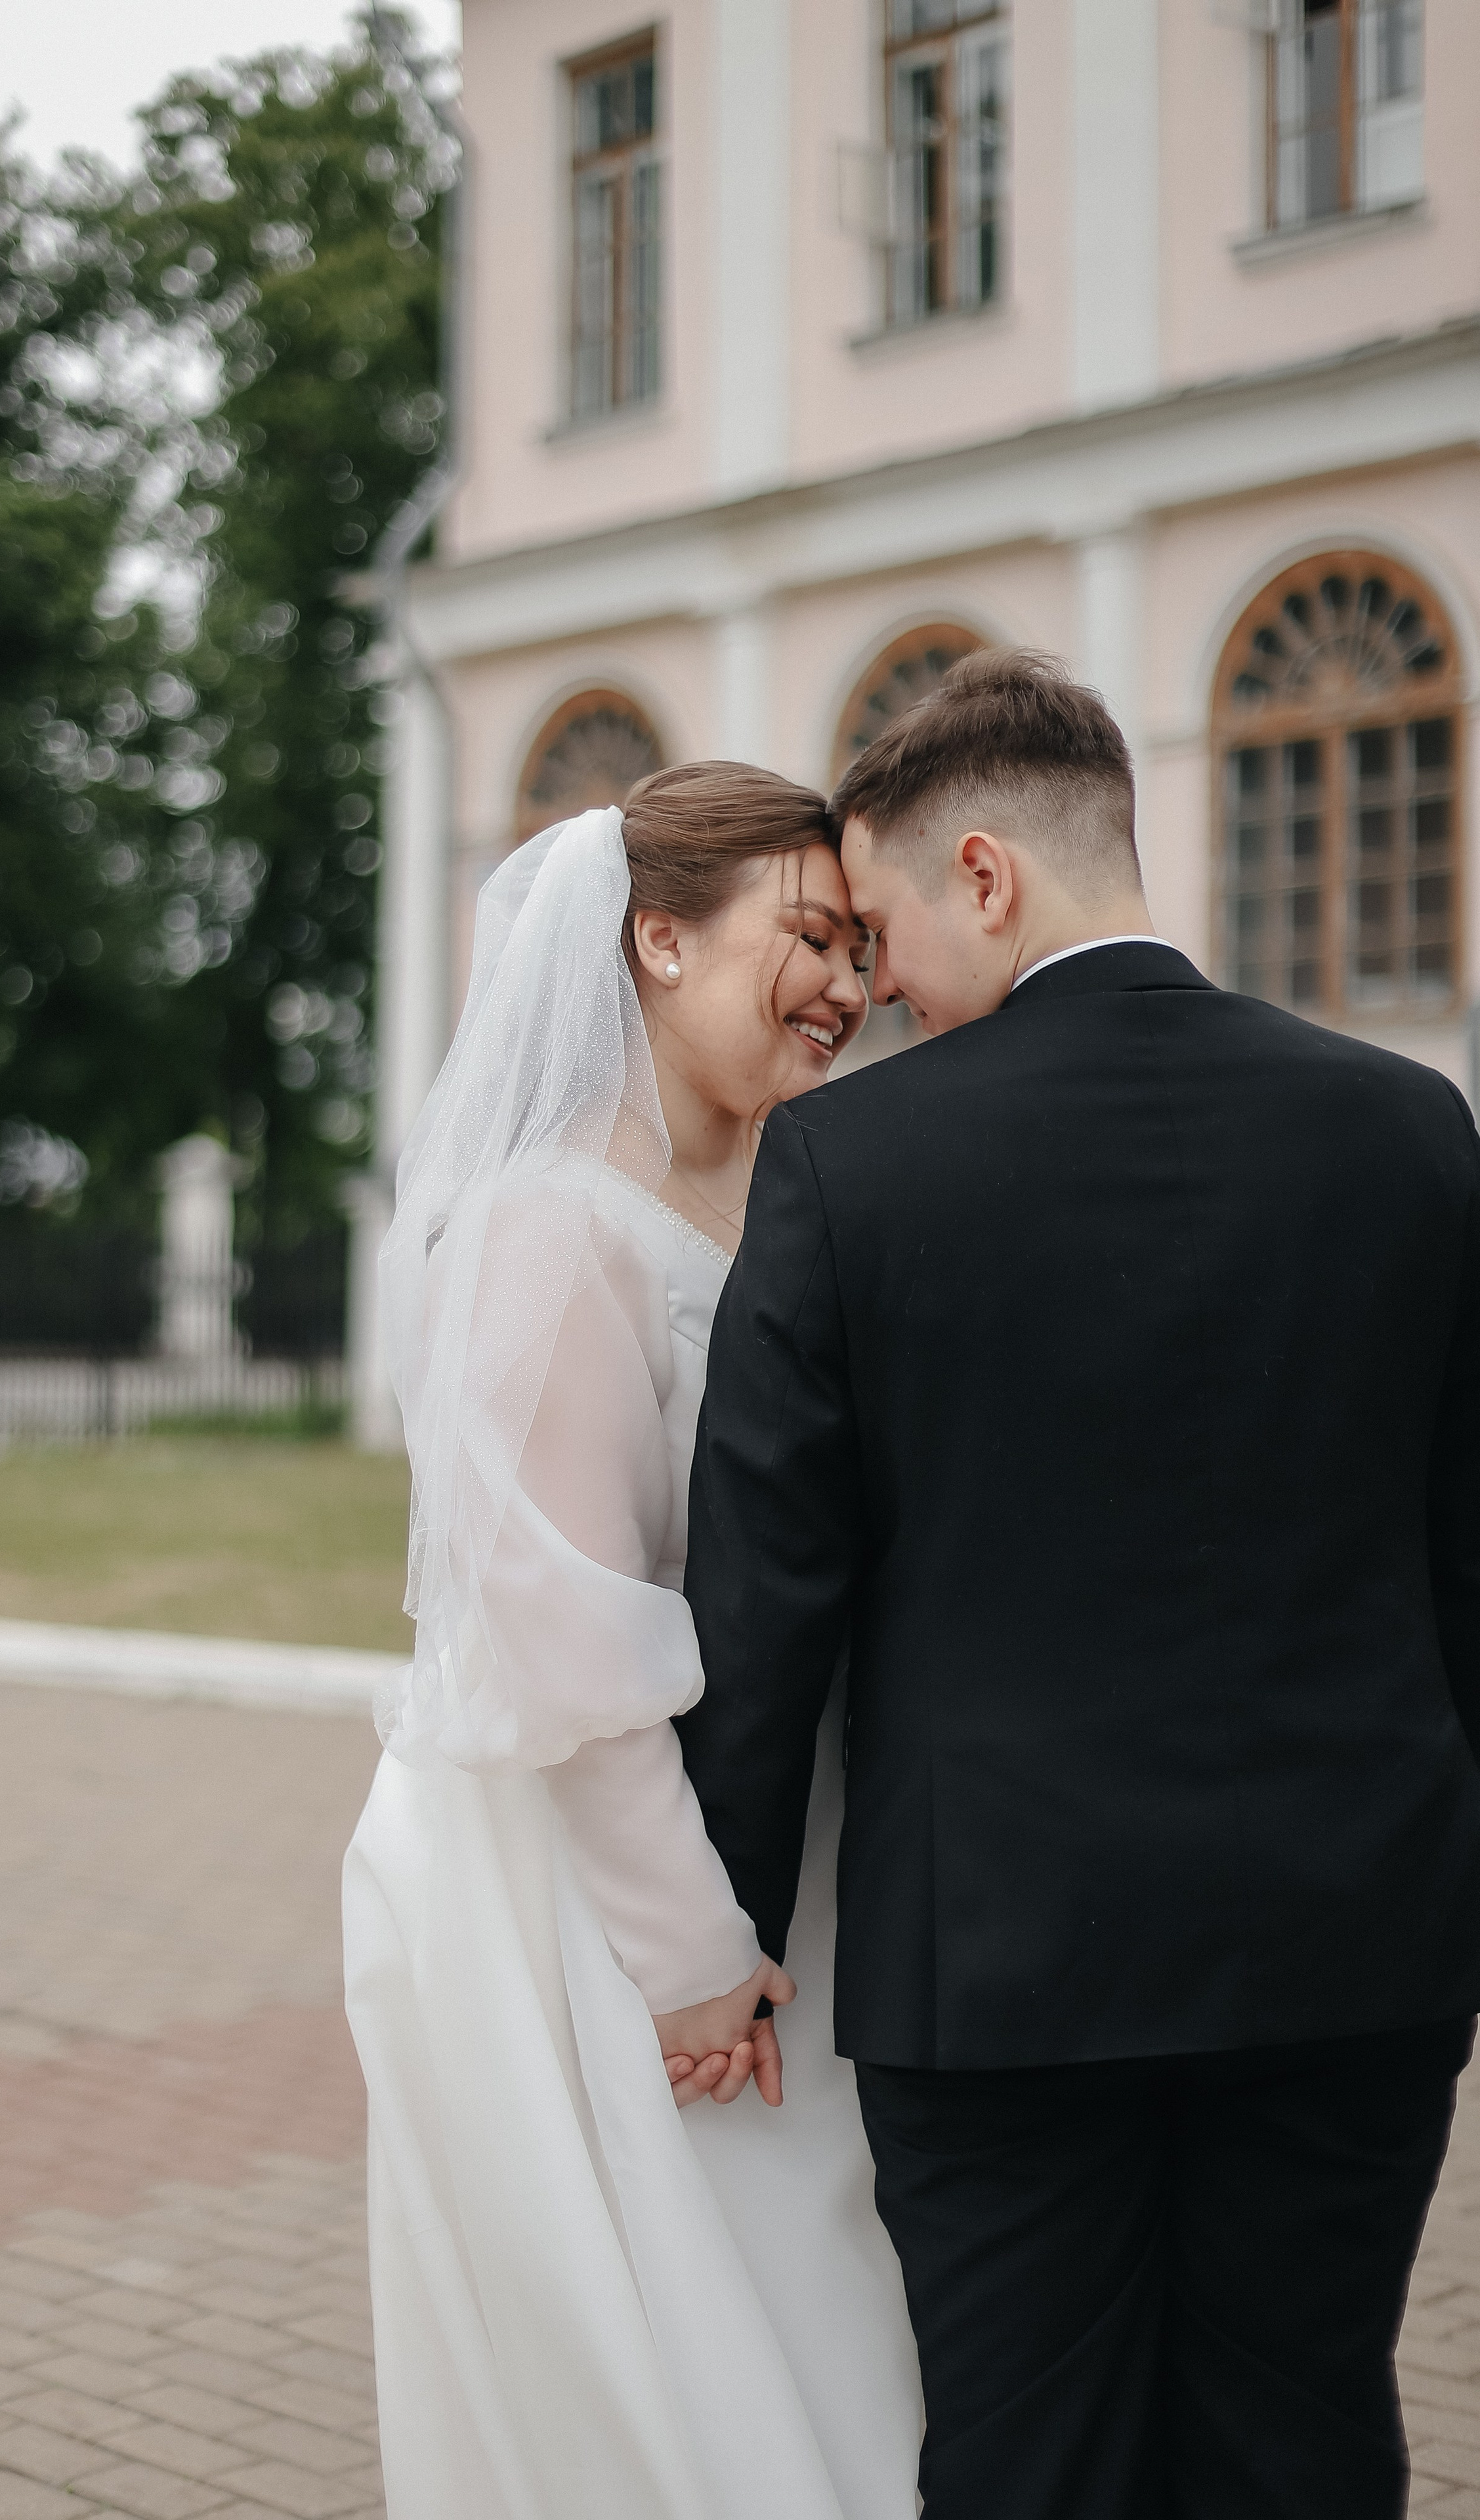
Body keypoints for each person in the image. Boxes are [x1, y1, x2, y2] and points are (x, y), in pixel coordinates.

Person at [671, 648, 1480, 2519]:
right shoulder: (1410, 1129)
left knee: (1031, 2465)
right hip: (1354, 1947)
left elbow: (766, 1592)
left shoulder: (851, 1164)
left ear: (983, 876)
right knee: (1306, 2445)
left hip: (1003, 1969)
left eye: (874, 928)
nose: (870, 990)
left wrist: (719, 1935)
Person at [342, 764, 923, 2519]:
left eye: (858, 945)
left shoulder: (777, 1196)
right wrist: (686, 1955)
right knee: (668, 2326)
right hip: (595, 1893)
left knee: (803, 2300)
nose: (846, 982)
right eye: (808, 936)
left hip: (771, 1860)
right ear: (658, 940)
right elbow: (555, 1624)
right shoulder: (547, 1228)